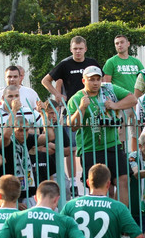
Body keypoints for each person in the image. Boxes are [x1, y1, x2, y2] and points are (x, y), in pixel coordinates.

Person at [67, 65, 137, 206]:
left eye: (98, 79)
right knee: (101, 187)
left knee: (123, 179)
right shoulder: (76, 98)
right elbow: (73, 126)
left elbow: (133, 99)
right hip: (90, 148)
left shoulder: (108, 89)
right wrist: (82, 108)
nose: (95, 83)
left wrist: (115, 106)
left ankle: (121, 216)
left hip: (112, 144)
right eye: (91, 79)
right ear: (83, 81)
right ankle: (104, 213)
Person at [41, 36, 100, 195]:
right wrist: (57, 95)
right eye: (75, 49)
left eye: (80, 48)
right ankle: (74, 182)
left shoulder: (92, 63)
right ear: (71, 49)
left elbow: (103, 82)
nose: (78, 52)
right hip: (73, 110)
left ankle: (91, 178)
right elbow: (45, 81)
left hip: (93, 110)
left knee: (92, 146)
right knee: (73, 149)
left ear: (85, 49)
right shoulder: (65, 64)